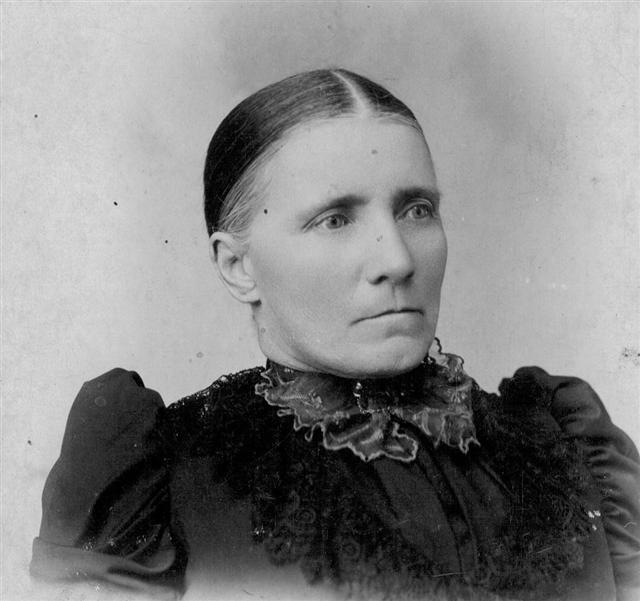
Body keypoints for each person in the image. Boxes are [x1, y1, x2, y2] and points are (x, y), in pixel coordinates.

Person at [30, 69, 640, 601]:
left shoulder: (561, 439)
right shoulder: (165, 476)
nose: (396, 260)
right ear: (237, 265)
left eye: (417, 210)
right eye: (335, 219)